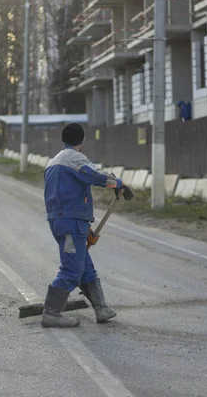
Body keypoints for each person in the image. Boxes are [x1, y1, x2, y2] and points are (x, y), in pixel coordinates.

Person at [41, 122, 134, 328]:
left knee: (85, 268)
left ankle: (101, 309)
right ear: (82, 141)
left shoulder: (53, 161)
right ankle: (51, 313)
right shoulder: (74, 158)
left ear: (63, 139)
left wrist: (82, 225)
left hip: (63, 220)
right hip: (70, 222)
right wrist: (119, 183)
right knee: (72, 269)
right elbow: (96, 175)